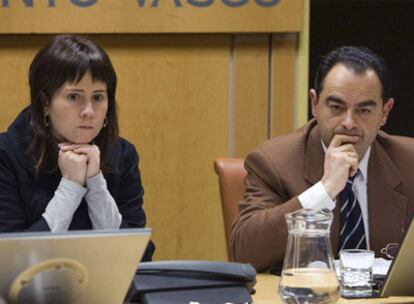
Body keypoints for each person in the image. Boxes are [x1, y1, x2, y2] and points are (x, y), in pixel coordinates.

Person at [231, 46, 414, 272]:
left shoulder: (408, 162)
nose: (348, 122)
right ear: (315, 103)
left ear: (385, 112)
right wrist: (324, 190)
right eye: (336, 107)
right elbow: (244, 253)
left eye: (364, 111)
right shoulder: (272, 162)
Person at [0, 34, 154, 261]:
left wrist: (95, 185)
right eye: (74, 97)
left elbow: (137, 259)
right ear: (45, 102)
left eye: (99, 97)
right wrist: (70, 188)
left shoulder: (123, 155)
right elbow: (11, 262)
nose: (89, 111)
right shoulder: (6, 155)